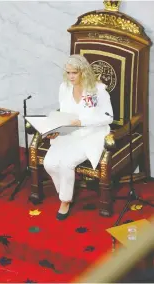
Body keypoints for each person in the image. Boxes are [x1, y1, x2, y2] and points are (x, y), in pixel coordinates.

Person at [43, 54, 114, 221]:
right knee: (50, 163)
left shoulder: (97, 90)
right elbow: (63, 112)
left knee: (66, 163)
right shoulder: (64, 87)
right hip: (69, 132)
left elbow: (108, 117)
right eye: (68, 73)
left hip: (90, 135)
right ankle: (64, 190)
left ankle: (65, 201)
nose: (71, 77)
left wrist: (82, 121)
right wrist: (55, 128)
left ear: (83, 72)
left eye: (74, 72)